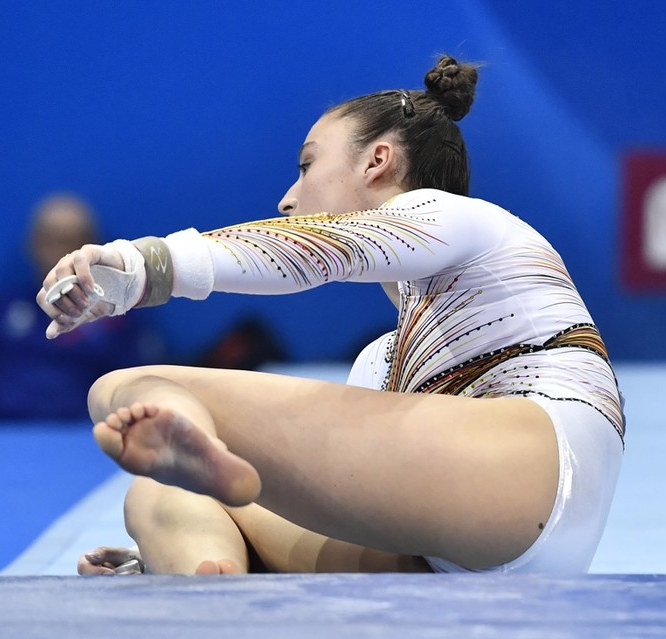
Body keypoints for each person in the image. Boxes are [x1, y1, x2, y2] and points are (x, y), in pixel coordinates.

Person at [36, 55, 624, 575]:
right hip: (458, 559)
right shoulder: (384, 361)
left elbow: (318, 252)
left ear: (378, 161)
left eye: (306, 165)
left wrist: (143, 267)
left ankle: (189, 429)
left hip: (535, 470)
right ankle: (198, 585)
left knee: (125, 388)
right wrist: (159, 558)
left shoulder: (460, 218)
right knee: (158, 497)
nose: (287, 199)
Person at [0, 193, 160, 421]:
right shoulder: (3, 309)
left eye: (68, 240)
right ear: (33, 244)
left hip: (83, 440)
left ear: (91, 245)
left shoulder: (117, 319)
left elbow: (143, 386)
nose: (58, 253)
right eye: (48, 240)